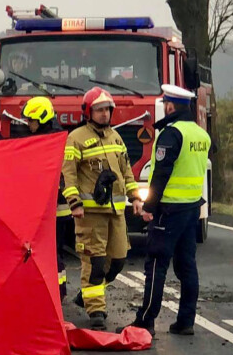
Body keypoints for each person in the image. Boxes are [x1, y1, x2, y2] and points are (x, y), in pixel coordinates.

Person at [123, 84, 211, 337]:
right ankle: (186, 321)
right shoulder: (200, 134)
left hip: (169, 210)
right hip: (192, 209)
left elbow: (161, 173)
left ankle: (146, 320)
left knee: (156, 265)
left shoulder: (171, 134)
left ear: (170, 106)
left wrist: (149, 207)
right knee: (187, 266)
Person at [63, 86, 143, 329]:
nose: (104, 114)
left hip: (116, 212)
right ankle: (96, 310)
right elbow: (69, 174)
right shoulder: (75, 138)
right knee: (94, 263)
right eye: (99, 110)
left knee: (118, 260)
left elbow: (126, 171)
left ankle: (86, 295)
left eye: (107, 109)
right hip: (90, 214)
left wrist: (136, 197)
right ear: (89, 111)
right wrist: (74, 203)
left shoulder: (116, 138)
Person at [20, 96, 68, 300]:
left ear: (41, 118)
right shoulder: (53, 136)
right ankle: (56, 291)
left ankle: (56, 293)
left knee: (52, 253)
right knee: (53, 253)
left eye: (31, 121)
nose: (28, 125)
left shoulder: (50, 140)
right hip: (53, 207)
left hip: (55, 207)